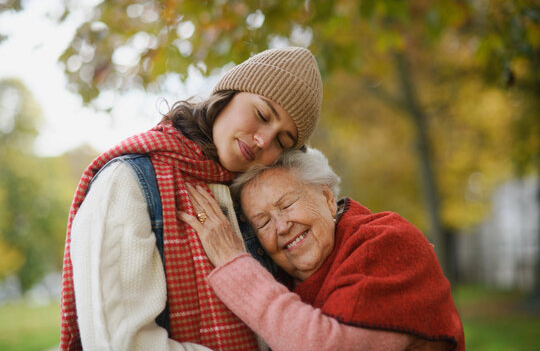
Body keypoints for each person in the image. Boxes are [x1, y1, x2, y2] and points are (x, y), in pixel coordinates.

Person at [59, 47, 323, 351]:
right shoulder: (126, 182)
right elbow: (122, 344)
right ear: (228, 94)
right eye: (262, 114)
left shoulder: (254, 203)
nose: (264, 140)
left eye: (281, 140)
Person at [179, 148, 465, 351]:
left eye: (288, 204)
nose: (281, 227)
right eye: (263, 222)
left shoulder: (387, 240)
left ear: (328, 198)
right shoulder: (284, 281)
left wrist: (232, 262)